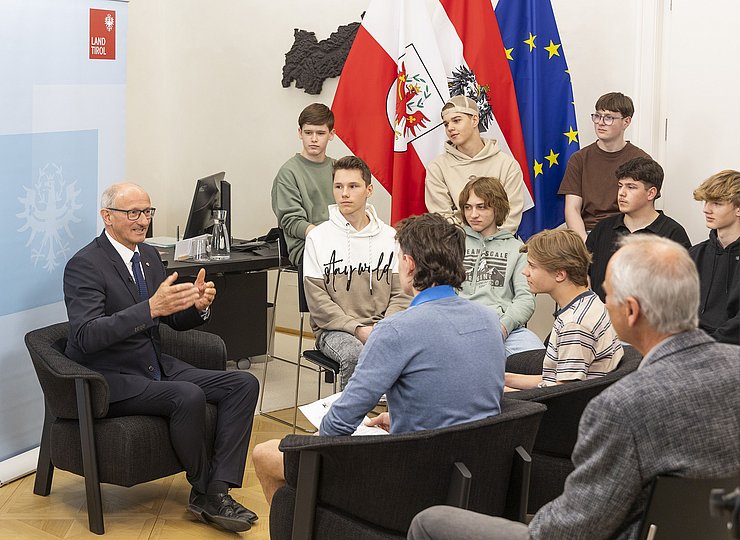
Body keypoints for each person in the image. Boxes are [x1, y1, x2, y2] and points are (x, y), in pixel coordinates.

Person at [408, 236, 740, 540]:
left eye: (608, 295)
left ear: (631, 311)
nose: (604, 304)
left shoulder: (622, 406)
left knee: (430, 521)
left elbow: (575, 526)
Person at [253, 213, 506, 505]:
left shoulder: (395, 330)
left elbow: (340, 423)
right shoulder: (490, 321)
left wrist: (313, 438)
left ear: (409, 265)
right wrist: (402, 418)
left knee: (265, 454)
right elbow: (469, 394)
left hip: (409, 478)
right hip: (478, 473)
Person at [63, 183, 260, 533]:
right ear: (107, 217)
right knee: (187, 394)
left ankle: (216, 490)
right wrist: (149, 308)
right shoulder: (85, 265)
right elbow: (85, 336)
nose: (143, 221)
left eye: (147, 212)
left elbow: (170, 319)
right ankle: (202, 488)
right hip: (110, 377)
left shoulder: (150, 257)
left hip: (154, 364)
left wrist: (197, 307)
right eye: (133, 213)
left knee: (242, 383)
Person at [303, 156, 411, 388]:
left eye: (353, 186)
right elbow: (319, 305)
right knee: (353, 354)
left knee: (417, 352)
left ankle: (397, 421)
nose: (345, 194)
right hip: (335, 331)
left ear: (369, 190)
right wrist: (358, 329)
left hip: (384, 326)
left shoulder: (390, 236)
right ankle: (350, 422)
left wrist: (383, 329)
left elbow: (401, 294)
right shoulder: (317, 237)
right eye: (339, 187)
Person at [504, 229, 623, 390]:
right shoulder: (591, 300)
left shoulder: (574, 325)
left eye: (532, 266)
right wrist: (504, 379)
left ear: (560, 275)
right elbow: (554, 378)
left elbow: (563, 392)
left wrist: (501, 391)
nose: (524, 272)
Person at [457, 176, 543, 356]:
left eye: (481, 207)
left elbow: (525, 299)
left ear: (497, 208)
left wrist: (504, 327)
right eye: (468, 207)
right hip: (457, 324)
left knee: (538, 355)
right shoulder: (454, 243)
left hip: (502, 327)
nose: (473, 214)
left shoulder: (517, 249)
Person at [587, 157, 691, 302]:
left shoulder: (672, 234)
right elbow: (583, 272)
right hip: (599, 317)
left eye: (631, 187)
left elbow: (679, 291)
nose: (621, 193)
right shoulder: (603, 228)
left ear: (651, 193)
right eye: (620, 185)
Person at [425, 95, 531, 233]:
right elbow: (441, 216)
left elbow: (511, 217)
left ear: (474, 120)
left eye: (456, 121)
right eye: (446, 124)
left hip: (499, 246)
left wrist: (492, 242)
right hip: (457, 247)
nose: (450, 128)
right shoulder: (437, 167)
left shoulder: (507, 165)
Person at [559, 92, 651, 240]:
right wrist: (585, 242)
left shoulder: (641, 160)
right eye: (597, 116)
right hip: (589, 233)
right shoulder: (579, 159)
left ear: (626, 122)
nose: (600, 122)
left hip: (626, 233)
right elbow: (572, 208)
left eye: (609, 118)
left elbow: (644, 210)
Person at [271, 103, 336, 265]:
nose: (314, 139)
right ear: (300, 133)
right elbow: (292, 221)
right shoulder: (289, 172)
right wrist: (326, 238)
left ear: (331, 134)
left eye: (320, 133)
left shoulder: (339, 169)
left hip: (341, 241)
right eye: (308, 133)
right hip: (306, 248)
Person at [690, 169, 740, 345]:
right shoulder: (694, 255)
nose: (706, 209)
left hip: (730, 350)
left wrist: (705, 346)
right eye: (706, 202)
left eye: (717, 203)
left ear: (738, 209)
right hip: (688, 345)